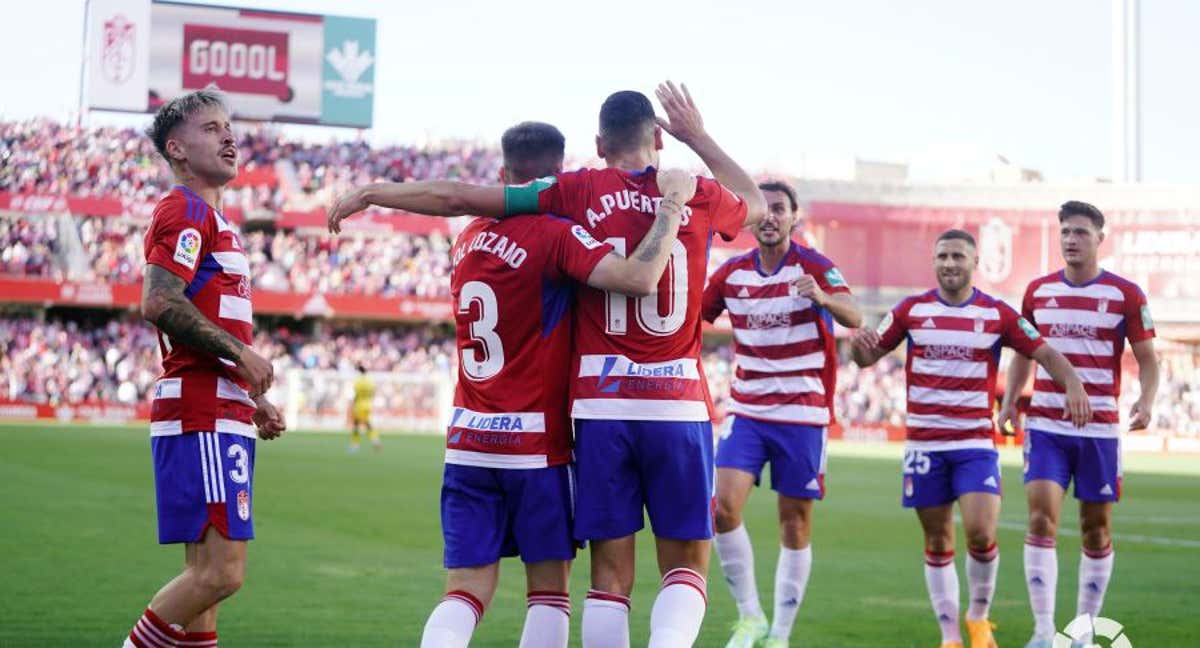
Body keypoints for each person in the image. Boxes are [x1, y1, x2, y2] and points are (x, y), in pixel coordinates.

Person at [328, 81, 765, 647]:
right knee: (684, 566)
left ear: (599, 145)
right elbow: (754, 206)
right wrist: (698, 138)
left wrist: (377, 191)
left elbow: (460, 198)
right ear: (658, 136)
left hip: (598, 407)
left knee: (609, 578)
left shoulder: (572, 191)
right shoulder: (699, 192)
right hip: (676, 402)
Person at [852, 229, 1090, 648]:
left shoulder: (997, 314)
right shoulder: (911, 310)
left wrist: (1073, 384)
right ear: (934, 261)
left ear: (974, 263)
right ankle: (950, 637)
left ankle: (978, 619)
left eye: (958, 256)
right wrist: (858, 346)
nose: (949, 263)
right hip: (925, 445)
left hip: (974, 443)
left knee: (981, 533)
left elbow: (1045, 353)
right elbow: (868, 356)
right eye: (943, 255)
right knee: (938, 538)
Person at [123, 89, 285, 648]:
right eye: (212, 128)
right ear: (178, 149)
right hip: (202, 408)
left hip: (220, 403)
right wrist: (242, 358)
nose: (229, 136)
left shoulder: (217, 219)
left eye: (228, 127)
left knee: (206, 594)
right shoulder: (185, 209)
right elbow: (159, 301)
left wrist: (251, 395)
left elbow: (204, 313)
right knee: (220, 574)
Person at [701, 180, 862, 648]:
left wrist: (825, 298)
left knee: (794, 522)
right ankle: (750, 617)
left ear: (795, 217)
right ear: (749, 217)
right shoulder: (732, 274)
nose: (769, 217)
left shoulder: (815, 266)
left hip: (803, 414)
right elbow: (693, 317)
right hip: (747, 410)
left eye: (778, 209)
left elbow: (854, 316)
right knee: (721, 507)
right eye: (762, 209)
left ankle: (781, 635)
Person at [997, 201, 1159, 648]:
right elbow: (1023, 355)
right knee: (1040, 519)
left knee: (1095, 528)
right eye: (1066, 231)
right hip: (1046, 425)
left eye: (1081, 232)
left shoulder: (1126, 295)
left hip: (1101, 429)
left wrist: (1146, 401)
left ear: (1099, 238)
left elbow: (1147, 360)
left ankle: (1083, 633)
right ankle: (1044, 630)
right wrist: (1011, 401)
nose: (1071, 239)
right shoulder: (1038, 292)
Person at [349, 364, 380, 452]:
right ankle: (375, 441)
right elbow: (373, 392)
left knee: (356, 425)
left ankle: (355, 445)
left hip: (359, 405)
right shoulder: (370, 381)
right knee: (367, 424)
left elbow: (356, 394)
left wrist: (353, 404)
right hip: (368, 405)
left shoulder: (358, 381)